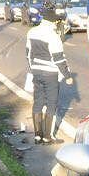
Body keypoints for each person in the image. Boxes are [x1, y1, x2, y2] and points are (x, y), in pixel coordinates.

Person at [26, 12, 71, 143]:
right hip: (50, 74)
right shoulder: (53, 36)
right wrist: (67, 76)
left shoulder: (31, 32)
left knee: (38, 103)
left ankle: (37, 135)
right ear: (53, 23)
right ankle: (47, 137)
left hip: (36, 72)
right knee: (51, 104)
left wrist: (33, 68)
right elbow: (58, 59)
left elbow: (28, 54)